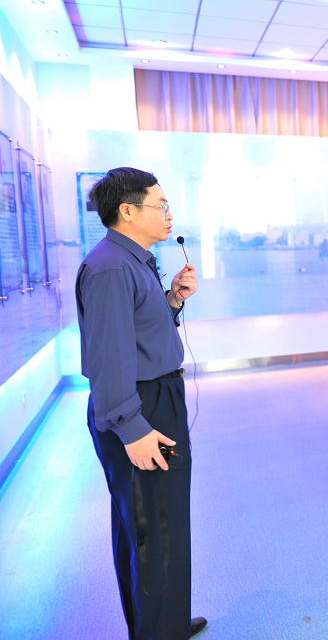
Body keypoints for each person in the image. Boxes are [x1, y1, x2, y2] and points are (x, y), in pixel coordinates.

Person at [76, 167, 207, 640]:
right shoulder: (112, 267)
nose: (169, 214)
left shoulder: (135, 260)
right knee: (156, 530)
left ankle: (163, 623)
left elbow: (136, 334)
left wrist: (173, 299)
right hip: (140, 407)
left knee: (151, 522)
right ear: (127, 211)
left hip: (152, 398)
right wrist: (132, 428)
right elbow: (107, 357)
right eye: (161, 205)